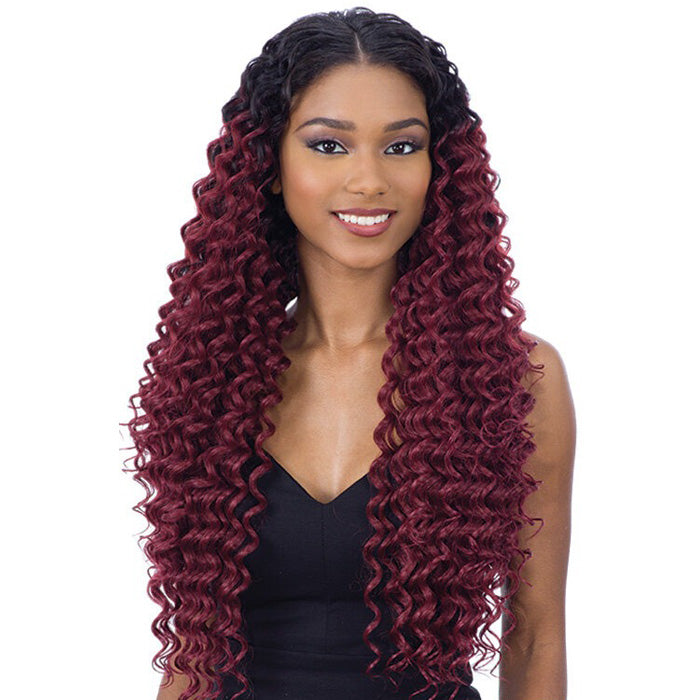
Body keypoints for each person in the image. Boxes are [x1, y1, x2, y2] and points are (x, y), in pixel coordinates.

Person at [124, 7, 576, 700]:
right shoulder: (213, 375)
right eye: (330, 145)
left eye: (402, 146)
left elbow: (535, 635)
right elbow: (194, 651)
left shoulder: (513, 381)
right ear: (271, 165)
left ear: (439, 169)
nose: (368, 180)